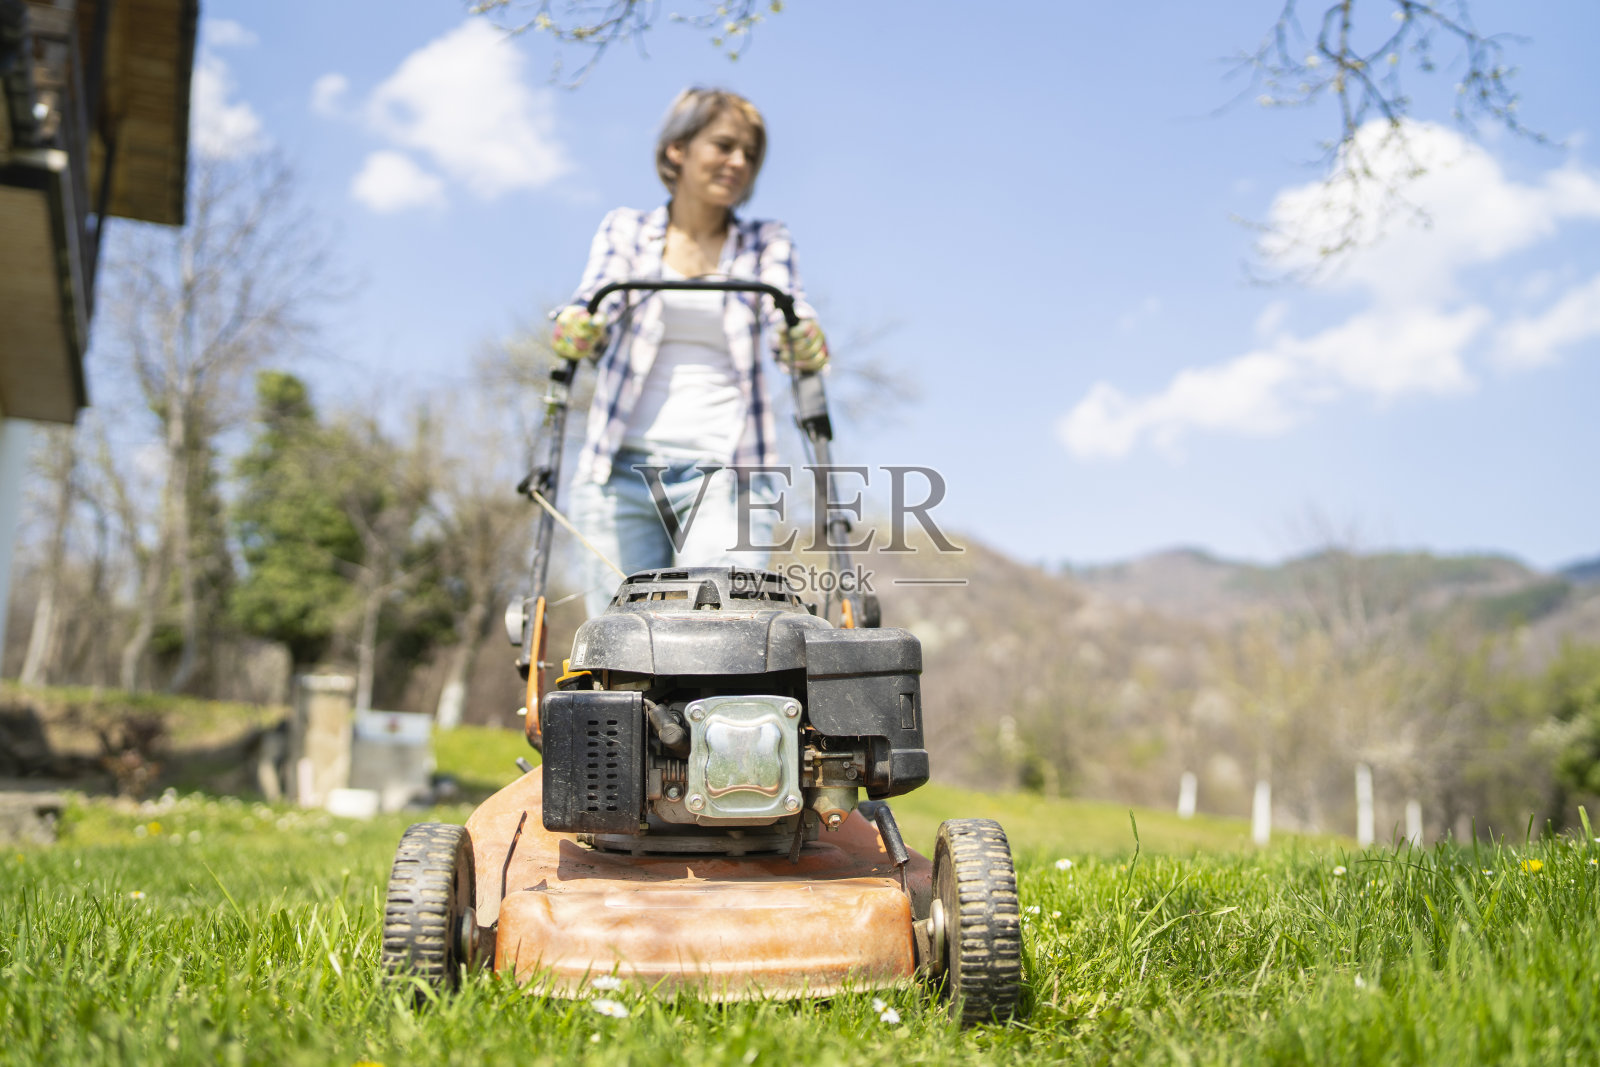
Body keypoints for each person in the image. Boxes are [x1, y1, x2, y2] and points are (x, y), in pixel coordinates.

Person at [551, 88, 830, 618]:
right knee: (624, 647)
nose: (739, 162)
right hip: (619, 474)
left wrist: (803, 337)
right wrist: (578, 326)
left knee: (723, 637)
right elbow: (594, 301)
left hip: (728, 473)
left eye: (750, 154)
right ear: (676, 149)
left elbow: (789, 311)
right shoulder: (626, 229)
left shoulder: (765, 240)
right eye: (724, 145)